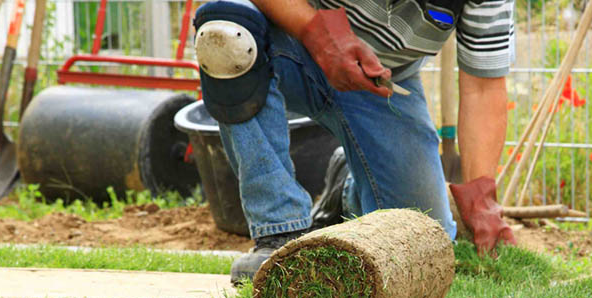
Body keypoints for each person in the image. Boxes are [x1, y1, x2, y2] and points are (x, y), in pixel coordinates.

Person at [192, 0, 517, 283]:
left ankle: (346, 191)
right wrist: (314, 31)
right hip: (290, 45)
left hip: (381, 84)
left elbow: (483, 87)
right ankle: (280, 233)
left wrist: (481, 199)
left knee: (423, 238)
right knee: (227, 30)